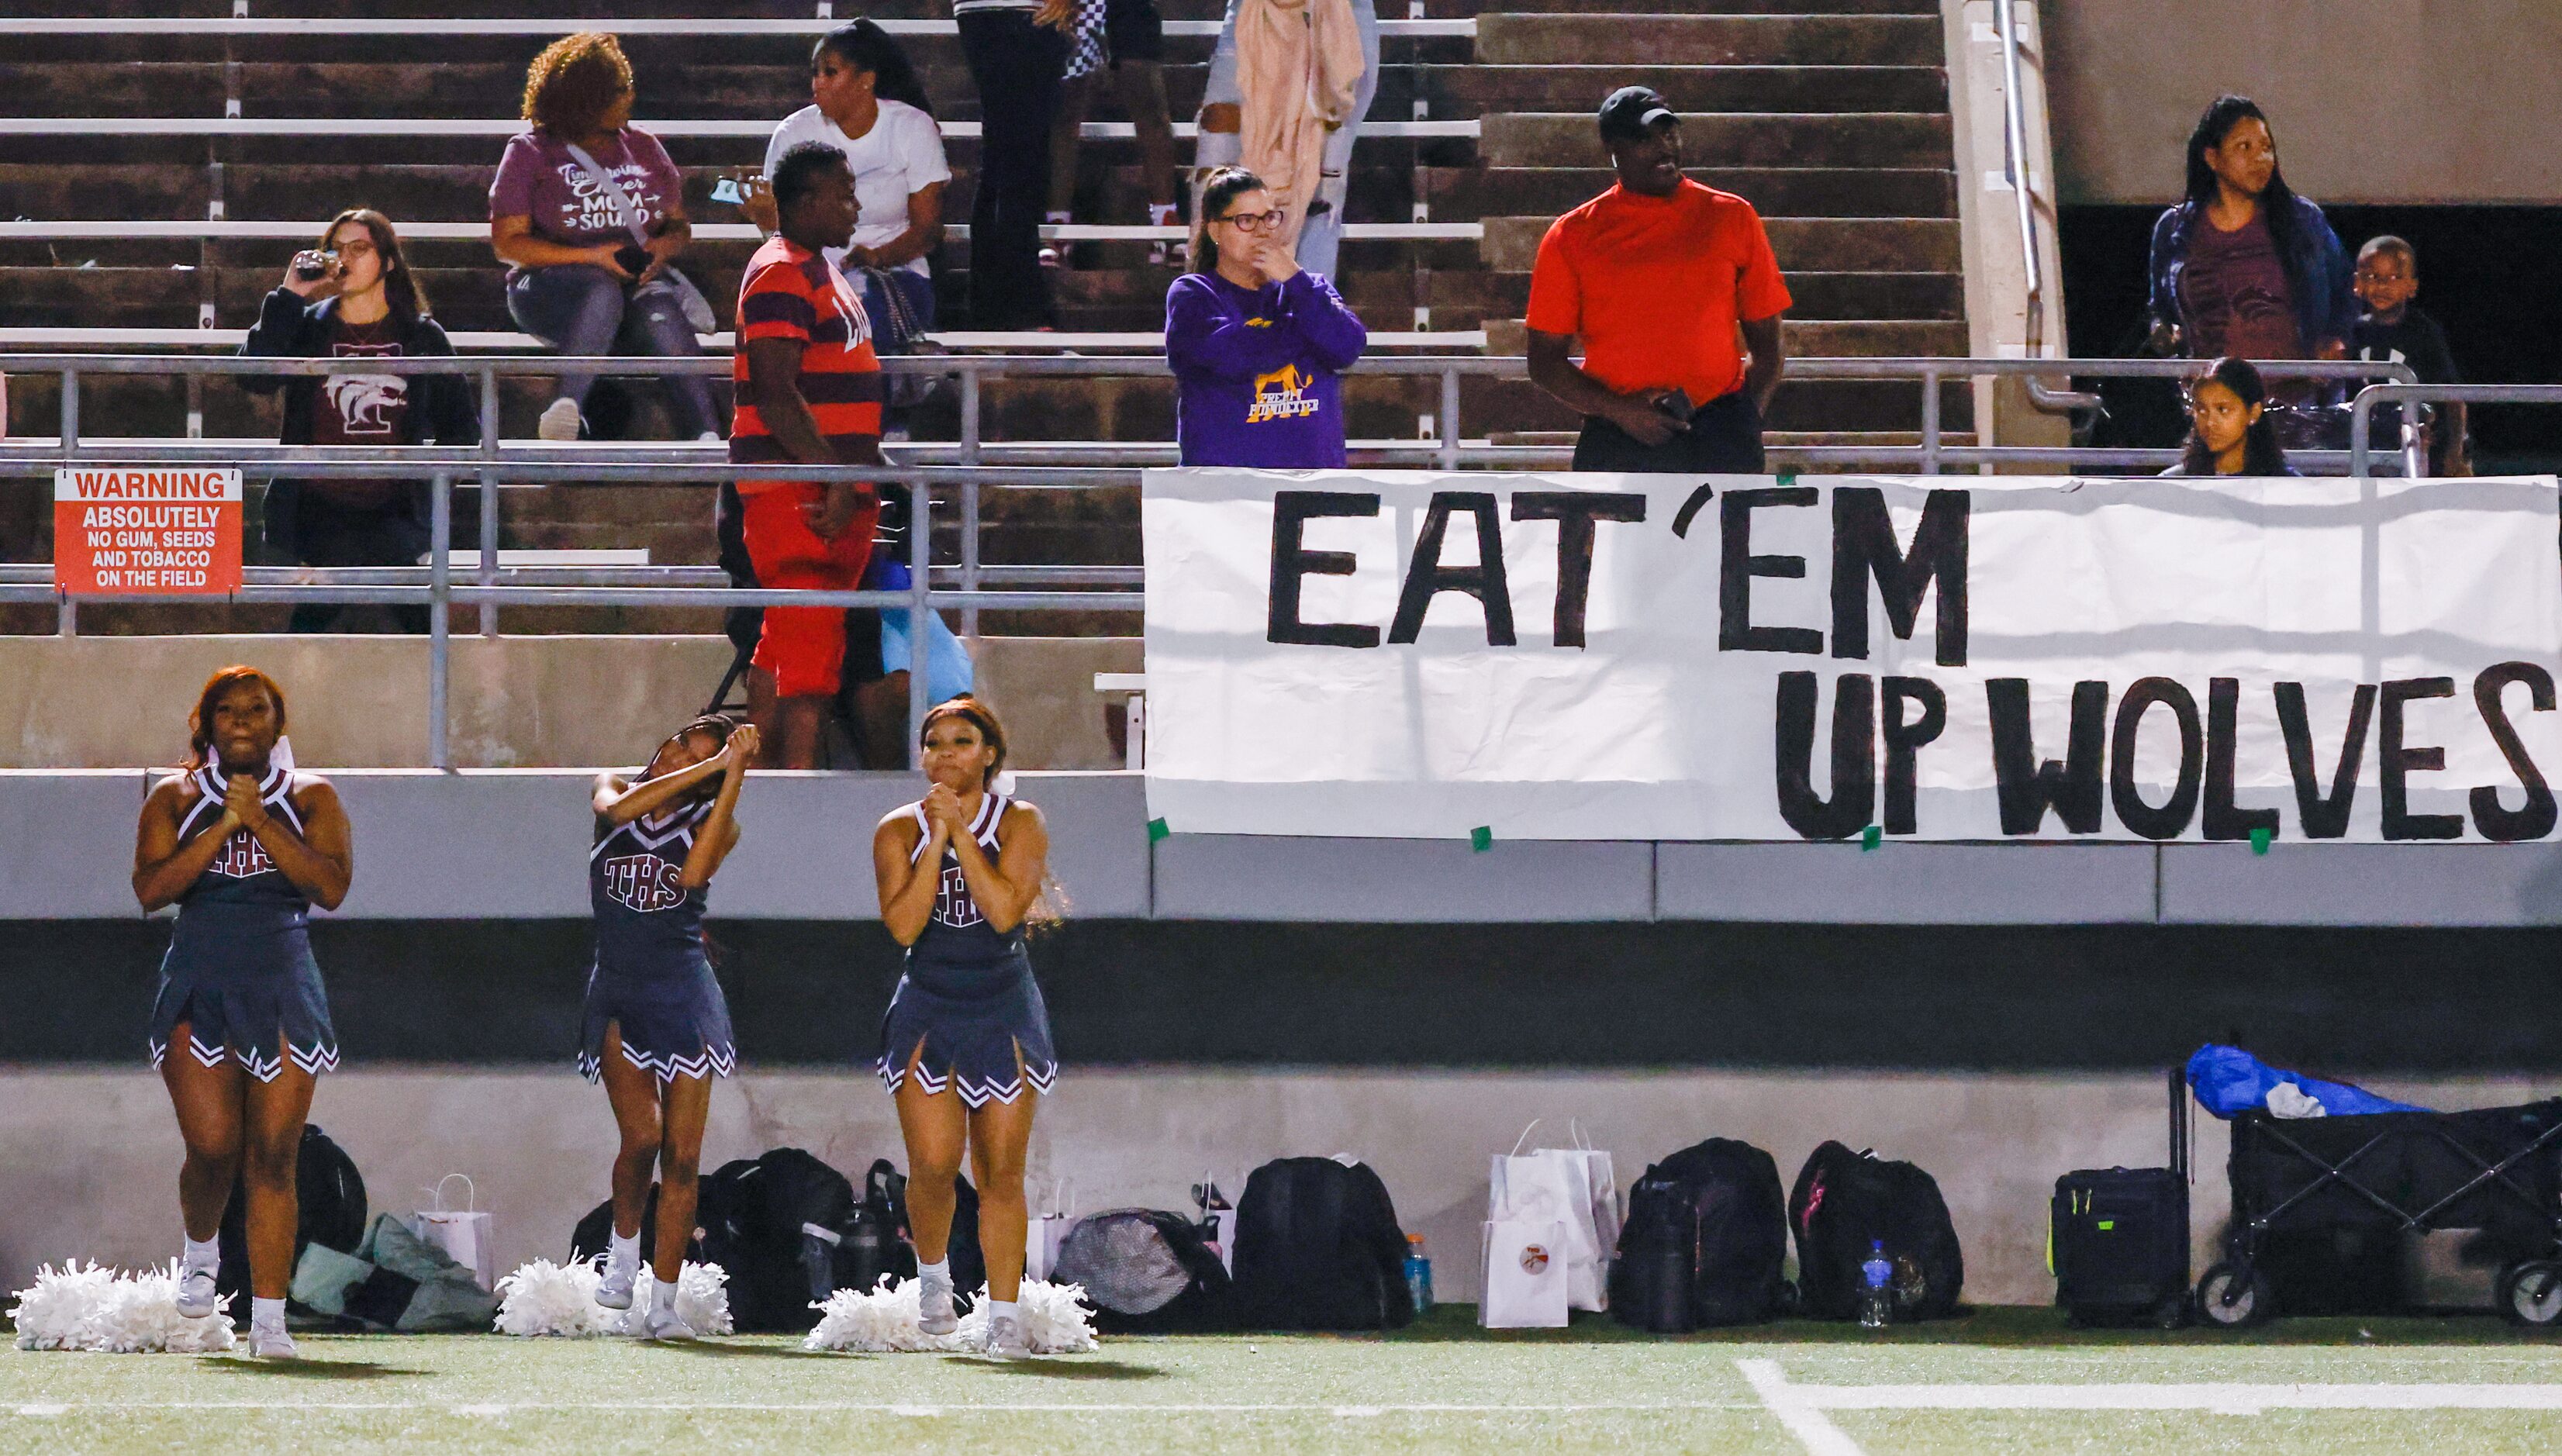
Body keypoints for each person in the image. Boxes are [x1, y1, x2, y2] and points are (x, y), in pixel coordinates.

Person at [132, 668, 353, 1359]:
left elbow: (330, 887)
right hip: (200, 973)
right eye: (227, 712)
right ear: (207, 725)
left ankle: (270, 1320)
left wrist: (258, 819)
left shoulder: (313, 796)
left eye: (257, 710)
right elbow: (152, 889)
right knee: (213, 1149)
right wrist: (226, 820)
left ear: (277, 723)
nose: (244, 722)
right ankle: (201, 1255)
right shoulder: (172, 797)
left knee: (275, 1156)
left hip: (282, 975)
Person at [871, 697, 1058, 1359]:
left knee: (1000, 1171)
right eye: (935, 743)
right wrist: (938, 837)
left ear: (988, 754)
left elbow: (1006, 912)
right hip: (928, 1003)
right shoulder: (896, 829)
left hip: (1002, 1004)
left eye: (962, 741)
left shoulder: (1022, 822)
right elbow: (903, 926)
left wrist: (963, 835)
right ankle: (933, 1282)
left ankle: (1004, 1315)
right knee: (931, 1165)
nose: (946, 753)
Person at [582, 714, 758, 1340]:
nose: (678, 753)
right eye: (682, 741)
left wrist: (729, 774)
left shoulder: (717, 823)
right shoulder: (613, 789)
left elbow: (692, 873)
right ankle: (621, 1254)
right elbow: (620, 810)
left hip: (683, 992)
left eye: (696, 755)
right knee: (642, 1137)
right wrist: (715, 763)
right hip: (619, 991)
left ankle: (664, 1303)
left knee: (684, 1159)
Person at [1525, 86, 1791, 473]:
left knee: (1724, 537)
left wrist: (1743, 419)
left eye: (1668, 132)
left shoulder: (1732, 216)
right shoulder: (1572, 236)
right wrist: (1621, 412)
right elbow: (1544, 360)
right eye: (1643, 139)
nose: (1663, 146)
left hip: (1721, 429)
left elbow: (1768, 342)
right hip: (1620, 435)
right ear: (1611, 150)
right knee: (1615, 536)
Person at [240, 209, 477, 633]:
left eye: (359, 248)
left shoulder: (421, 335)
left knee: (408, 601)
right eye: (336, 249)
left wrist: (427, 484)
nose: (344, 258)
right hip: (317, 506)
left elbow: (462, 427)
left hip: (395, 507)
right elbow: (253, 378)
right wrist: (290, 294)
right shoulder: (309, 326)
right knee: (338, 573)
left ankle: (438, 687)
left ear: (387, 262)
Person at [733, 144, 886, 770]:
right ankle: (797, 804)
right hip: (798, 493)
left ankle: (759, 795)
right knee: (809, 667)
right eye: (843, 194)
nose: (855, 206)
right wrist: (835, 475)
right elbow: (774, 389)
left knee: (783, 652)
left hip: (822, 489)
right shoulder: (781, 270)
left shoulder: (817, 267)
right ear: (804, 202)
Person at [490, 32, 719, 443]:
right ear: (587, 97)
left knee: (661, 306)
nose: (630, 96)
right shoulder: (531, 152)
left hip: (635, 281)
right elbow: (508, 243)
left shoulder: (643, 147)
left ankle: (707, 436)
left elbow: (678, 225)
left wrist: (660, 250)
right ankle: (565, 410)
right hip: (552, 288)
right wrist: (594, 257)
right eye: (620, 89)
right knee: (602, 291)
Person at [2146, 96, 2356, 427]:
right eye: (2244, 147)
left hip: (2296, 406)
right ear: (2212, 158)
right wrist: (2163, 332)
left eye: (2266, 147)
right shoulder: (2175, 230)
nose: (2261, 158)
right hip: (2213, 414)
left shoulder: (2302, 220)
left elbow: (2346, 289)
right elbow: (2160, 309)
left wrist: (2334, 341)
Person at [744, 20, 949, 350]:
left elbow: (927, 229)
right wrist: (769, 223)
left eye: (830, 72)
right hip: (812, 275)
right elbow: (784, 242)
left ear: (866, 80)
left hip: (894, 276)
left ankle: (864, 397)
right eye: (815, 73)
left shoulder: (911, 127)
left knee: (859, 312)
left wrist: (877, 256)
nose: (818, 83)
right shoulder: (793, 133)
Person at [1166, 167, 1366, 467]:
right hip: (1228, 492)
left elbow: (1347, 346)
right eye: (1245, 220)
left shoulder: (1308, 288)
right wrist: (1305, 331)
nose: (1262, 231)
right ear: (1215, 231)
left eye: (1270, 218)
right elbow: (1232, 355)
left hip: (1314, 487)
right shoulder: (1194, 293)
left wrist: (1295, 280)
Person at [1191, 0, 1374, 283]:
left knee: (1321, 185)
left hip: (1341, 13)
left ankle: (1307, 317)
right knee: (1217, 170)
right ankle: (1210, 309)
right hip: (1252, 11)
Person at [954, 0, 1076, 328]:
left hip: (990, 12)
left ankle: (993, 306)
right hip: (1018, 13)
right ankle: (1020, 305)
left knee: (1002, 160)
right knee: (1019, 161)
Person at [1039, 0, 1181, 269]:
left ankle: (1167, 224)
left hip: (1127, 9)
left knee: (1152, 110)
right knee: (1065, 113)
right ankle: (1057, 227)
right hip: (1076, 6)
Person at [2351, 235, 2468, 475]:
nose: (2382, 285)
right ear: (2357, 283)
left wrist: (2455, 451)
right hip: (2366, 450)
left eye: (2394, 277)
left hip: (2421, 450)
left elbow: (2453, 397)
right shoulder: (2353, 332)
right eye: (2372, 277)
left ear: (2412, 286)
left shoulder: (2424, 332)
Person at [2164, 356, 2292, 477]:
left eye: (2222, 409)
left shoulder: (2285, 487)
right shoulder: (2173, 484)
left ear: (2254, 412)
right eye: (2202, 410)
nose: (2210, 423)